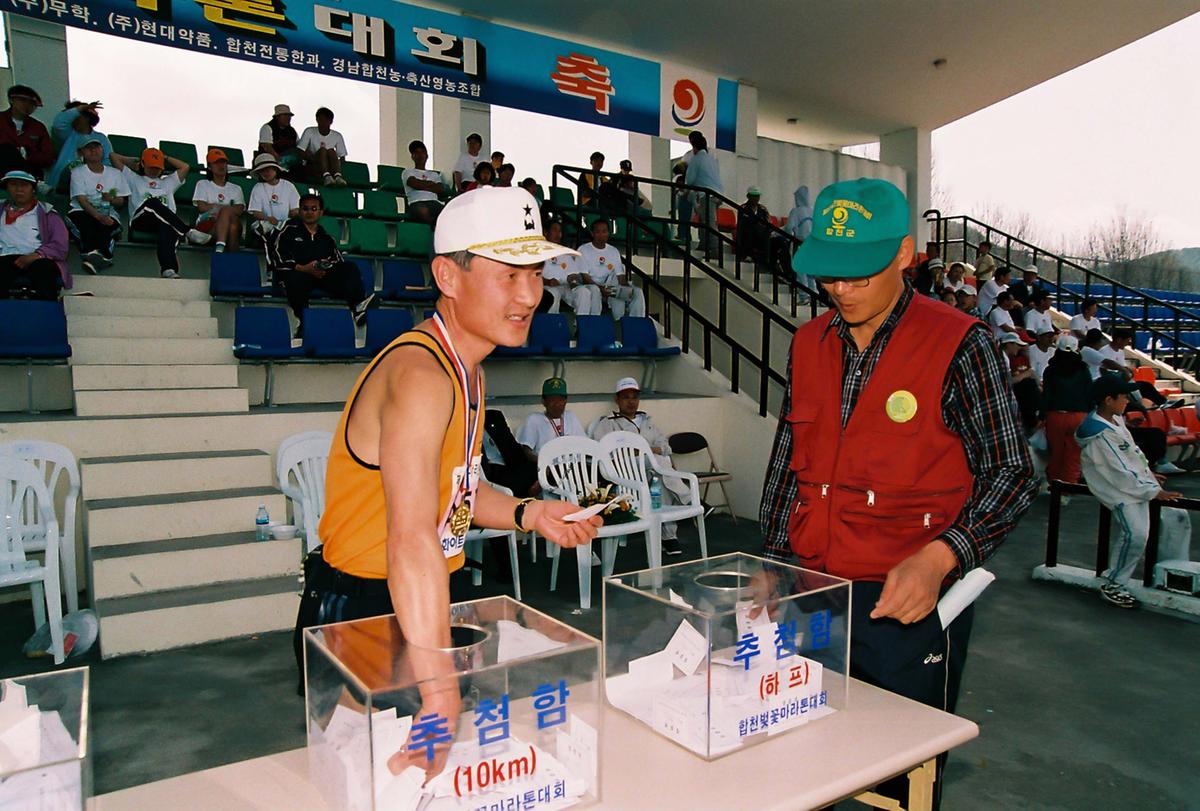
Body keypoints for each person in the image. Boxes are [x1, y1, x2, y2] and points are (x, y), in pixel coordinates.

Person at [293, 188, 600, 766]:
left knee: (421, 782)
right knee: (373, 781)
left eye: (535, 273)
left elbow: (455, 495)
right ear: (447, 276)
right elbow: (410, 536)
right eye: (508, 274)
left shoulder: (465, 369)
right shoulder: (422, 373)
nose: (531, 294)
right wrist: (440, 692)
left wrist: (531, 513)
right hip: (369, 610)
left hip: (426, 596)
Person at [761, 178, 1036, 810]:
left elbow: (1012, 473)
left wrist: (942, 557)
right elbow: (787, 463)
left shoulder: (961, 344)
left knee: (897, 782)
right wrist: (770, 562)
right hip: (810, 593)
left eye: (860, 274)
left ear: (906, 253)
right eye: (831, 275)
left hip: (906, 604)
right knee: (800, 760)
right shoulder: (809, 344)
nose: (842, 289)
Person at [1076, 375, 1189, 609]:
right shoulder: (1100, 432)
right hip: (1120, 492)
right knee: (1135, 535)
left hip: (1136, 488)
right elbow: (1118, 469)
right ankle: (1114, 583)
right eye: (1124, 396)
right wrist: (1151, 490)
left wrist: (1148, 474)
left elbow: (1132, 456)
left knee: (1142, 534)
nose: (1128, 399)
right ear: (1109, 400)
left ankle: (1122, 579)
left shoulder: (1116, 421)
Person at [591, 377, 689, 554]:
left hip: (651, 471)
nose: (631, 402)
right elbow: (602, 452)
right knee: (658, 462)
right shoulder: (608, 423)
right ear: (617, 400)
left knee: (660, 476)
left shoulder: (647, 422)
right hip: (625, 473)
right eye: (626, 397)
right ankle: (689, 500)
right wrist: (639, 452)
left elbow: (666, 447)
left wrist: (651, 450)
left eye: (634, 397)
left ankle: (668, 537)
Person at [271, 193, 376, 337]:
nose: (309, 212)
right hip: (296, 274)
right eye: (305, 209)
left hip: (319, 276)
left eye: (313, 209)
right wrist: (304, 268)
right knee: (294, 278)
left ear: (321, 212)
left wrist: (323, 267)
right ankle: (305, 322)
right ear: (300, 211)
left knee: (349, 267)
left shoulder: (326, 238)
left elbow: (336, 261)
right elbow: (277, 257)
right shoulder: (288, 231)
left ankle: (358, 307)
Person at [109, 148, 211, 279]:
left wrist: (165, 157)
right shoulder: (133, 178)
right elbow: (113, 156)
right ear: (143, 164)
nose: (154, 170)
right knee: (153, 202)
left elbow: (185, 167)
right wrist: (133, 162)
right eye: (151, 166)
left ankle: (168, 269)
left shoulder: (168, 182)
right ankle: (187, 231)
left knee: (166, 227)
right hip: (141, 219)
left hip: (164, 221)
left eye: (157, 167)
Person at [0, 170, 69, 300]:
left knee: (44, 269)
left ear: (33, 190)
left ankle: (46, 313)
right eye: (13, 184)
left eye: (24, 185)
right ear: (7, 188)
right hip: (4, 257)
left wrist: (36, 255)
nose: (19, 189)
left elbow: (60, 245)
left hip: (37, 258)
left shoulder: (48, 213)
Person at [66, 136, 128, 275]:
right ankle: (98, 256)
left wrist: (111, 199)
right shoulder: (78, 172)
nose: (93, 150)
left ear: (102, 150)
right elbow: (81, 200)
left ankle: (96, 257)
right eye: (89, 148)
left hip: (108, 211)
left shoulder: (115, 173)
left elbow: (121, 201)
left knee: (108, 226)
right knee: (87, 223)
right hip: (81, 211)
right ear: (82, 152)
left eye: (96, 147)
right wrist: (99, 217)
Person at [1040, 334, 1092, 483]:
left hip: (1055, 415)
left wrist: (1042, 415)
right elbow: (1089, 392)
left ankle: (1054, 485)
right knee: (1074, 454)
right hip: (1078, 416)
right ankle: (1068, 486)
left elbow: (1047, 395)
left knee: (1056, 453)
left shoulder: (1050, 369)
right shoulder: (1083, 369)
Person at [577, 218, 645, 319]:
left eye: (604, 231)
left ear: (608, 233)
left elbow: (620, 277)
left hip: (610, 288)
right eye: (598, 232)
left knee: (637, 293)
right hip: (591, 287)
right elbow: (585, 278)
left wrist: (626, 290)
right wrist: (601, 289)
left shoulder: (613, 251)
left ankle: (636, 324)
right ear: (592, 233)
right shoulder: (583, 249)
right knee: (595, 290)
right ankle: (593, 322)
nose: (601, 235)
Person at [517, 377, 587, 459]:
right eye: (552, 400)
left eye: (560, 400)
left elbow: (585, 444)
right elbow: (526, 451)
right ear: (543, 401)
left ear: (566, 401)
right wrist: (541, 463)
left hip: (572, 467)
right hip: (546, 468)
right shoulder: (534, 420)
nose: (557, 404)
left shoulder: (571, 417)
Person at [541, 220, 600, 315]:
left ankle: (582, 323)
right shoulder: (540, 251)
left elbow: (572, 274)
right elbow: (534, 275)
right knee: (554, 293)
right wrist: (548, 281)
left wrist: (573, 281)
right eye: (555, 230)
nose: (558, 234)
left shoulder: (565, 252)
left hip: (566, 285)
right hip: (548, 286)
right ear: (546, 232)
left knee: (584, 291)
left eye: (560, 231)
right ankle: (551, 324)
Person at [192, 148, 245, 253]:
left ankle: (220, 249)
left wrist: (218, 208)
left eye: (223, 162)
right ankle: (232, 262)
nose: (221, 166)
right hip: (210, 225)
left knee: (231, 222)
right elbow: (201, 207)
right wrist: (226, 209)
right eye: (216, 163)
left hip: (228, 223)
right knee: (232, 226)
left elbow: (239, 209)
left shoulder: (236, 188)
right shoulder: (202, 184)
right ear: (210, 167)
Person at [48, 101, 110, 190]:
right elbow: (59, 123)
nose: (71, 118)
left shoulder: (101, 138)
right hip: (61, 186)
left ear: (86, 117)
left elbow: (107, 161)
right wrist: (81, 108)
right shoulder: (67, 134)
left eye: (76, 114)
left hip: (89, 188)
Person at [247, 153, 300, 248]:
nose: (265, 173)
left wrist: (290, 216)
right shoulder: (258, 187)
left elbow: (295, 209)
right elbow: (255, 212)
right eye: (262, 171)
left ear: (275, 169)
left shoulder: (288, 186)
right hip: (266, 223)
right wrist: (268, 219)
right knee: (260, 227)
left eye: (268, 169)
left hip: (285, 223)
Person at [0, 86, 53, 178]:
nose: (27, 105)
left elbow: (48, 157)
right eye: (23, 100)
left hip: (29, 177)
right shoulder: (1, 120)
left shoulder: (38, 127)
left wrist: (27, 155)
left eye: (32, 103)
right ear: (11, 100)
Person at [684, 131, 723, 254]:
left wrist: (685, 191)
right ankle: (703, 244)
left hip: (707, 194)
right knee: (703, 219)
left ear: (694, 147)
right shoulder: (711, 159)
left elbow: (689, 180)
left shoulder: (696, 159)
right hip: (718, 193)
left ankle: (714, 249)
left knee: (708, 222)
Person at [297, 107, 348, 187]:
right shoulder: (309, 131)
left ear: (331, 121)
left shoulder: (337, 136)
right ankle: (326, 176)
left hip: (331, 167)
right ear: (316, 119)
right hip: (313, 166)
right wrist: (315, 158)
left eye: (325, 120)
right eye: (320, 119)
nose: (322, 123)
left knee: (331, 151)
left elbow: (342, 156)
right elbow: (300, 151)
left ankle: (337, 176)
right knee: (323, 151)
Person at [402, 140, 446, 225]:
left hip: (434, 202)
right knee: (423, 211)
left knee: (448, 213)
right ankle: (431, 231)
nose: (420, 155)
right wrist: (431, 184)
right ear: (412, 156)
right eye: (417, 153)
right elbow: (414, 184)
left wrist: (421, 185)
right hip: (416, 203)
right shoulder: (407, 172)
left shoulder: (434, 174)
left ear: (427, 155)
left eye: (422, 152)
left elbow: (440, 189)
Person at [257, 103, 302, 174]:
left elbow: (299, 147)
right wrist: (279, 160)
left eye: (289, 116)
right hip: (271, 161)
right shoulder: (267, 128)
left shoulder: (292, 131)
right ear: (277, 117)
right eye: (285, 115)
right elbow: (267, 146)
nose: (288, 118)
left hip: (289, 162)